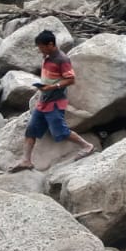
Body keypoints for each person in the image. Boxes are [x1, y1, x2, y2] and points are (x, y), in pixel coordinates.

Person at [13, 29, 96, 170]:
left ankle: (87, 146)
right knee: (31, 129)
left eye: (41, 47)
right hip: (43, 101)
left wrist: (53, 86)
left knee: (60, 131)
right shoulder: (47, 57)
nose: (40, 50)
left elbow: (70, 79)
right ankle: (26, 160)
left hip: (55, 102)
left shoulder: (61, 59)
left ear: (50, 44)